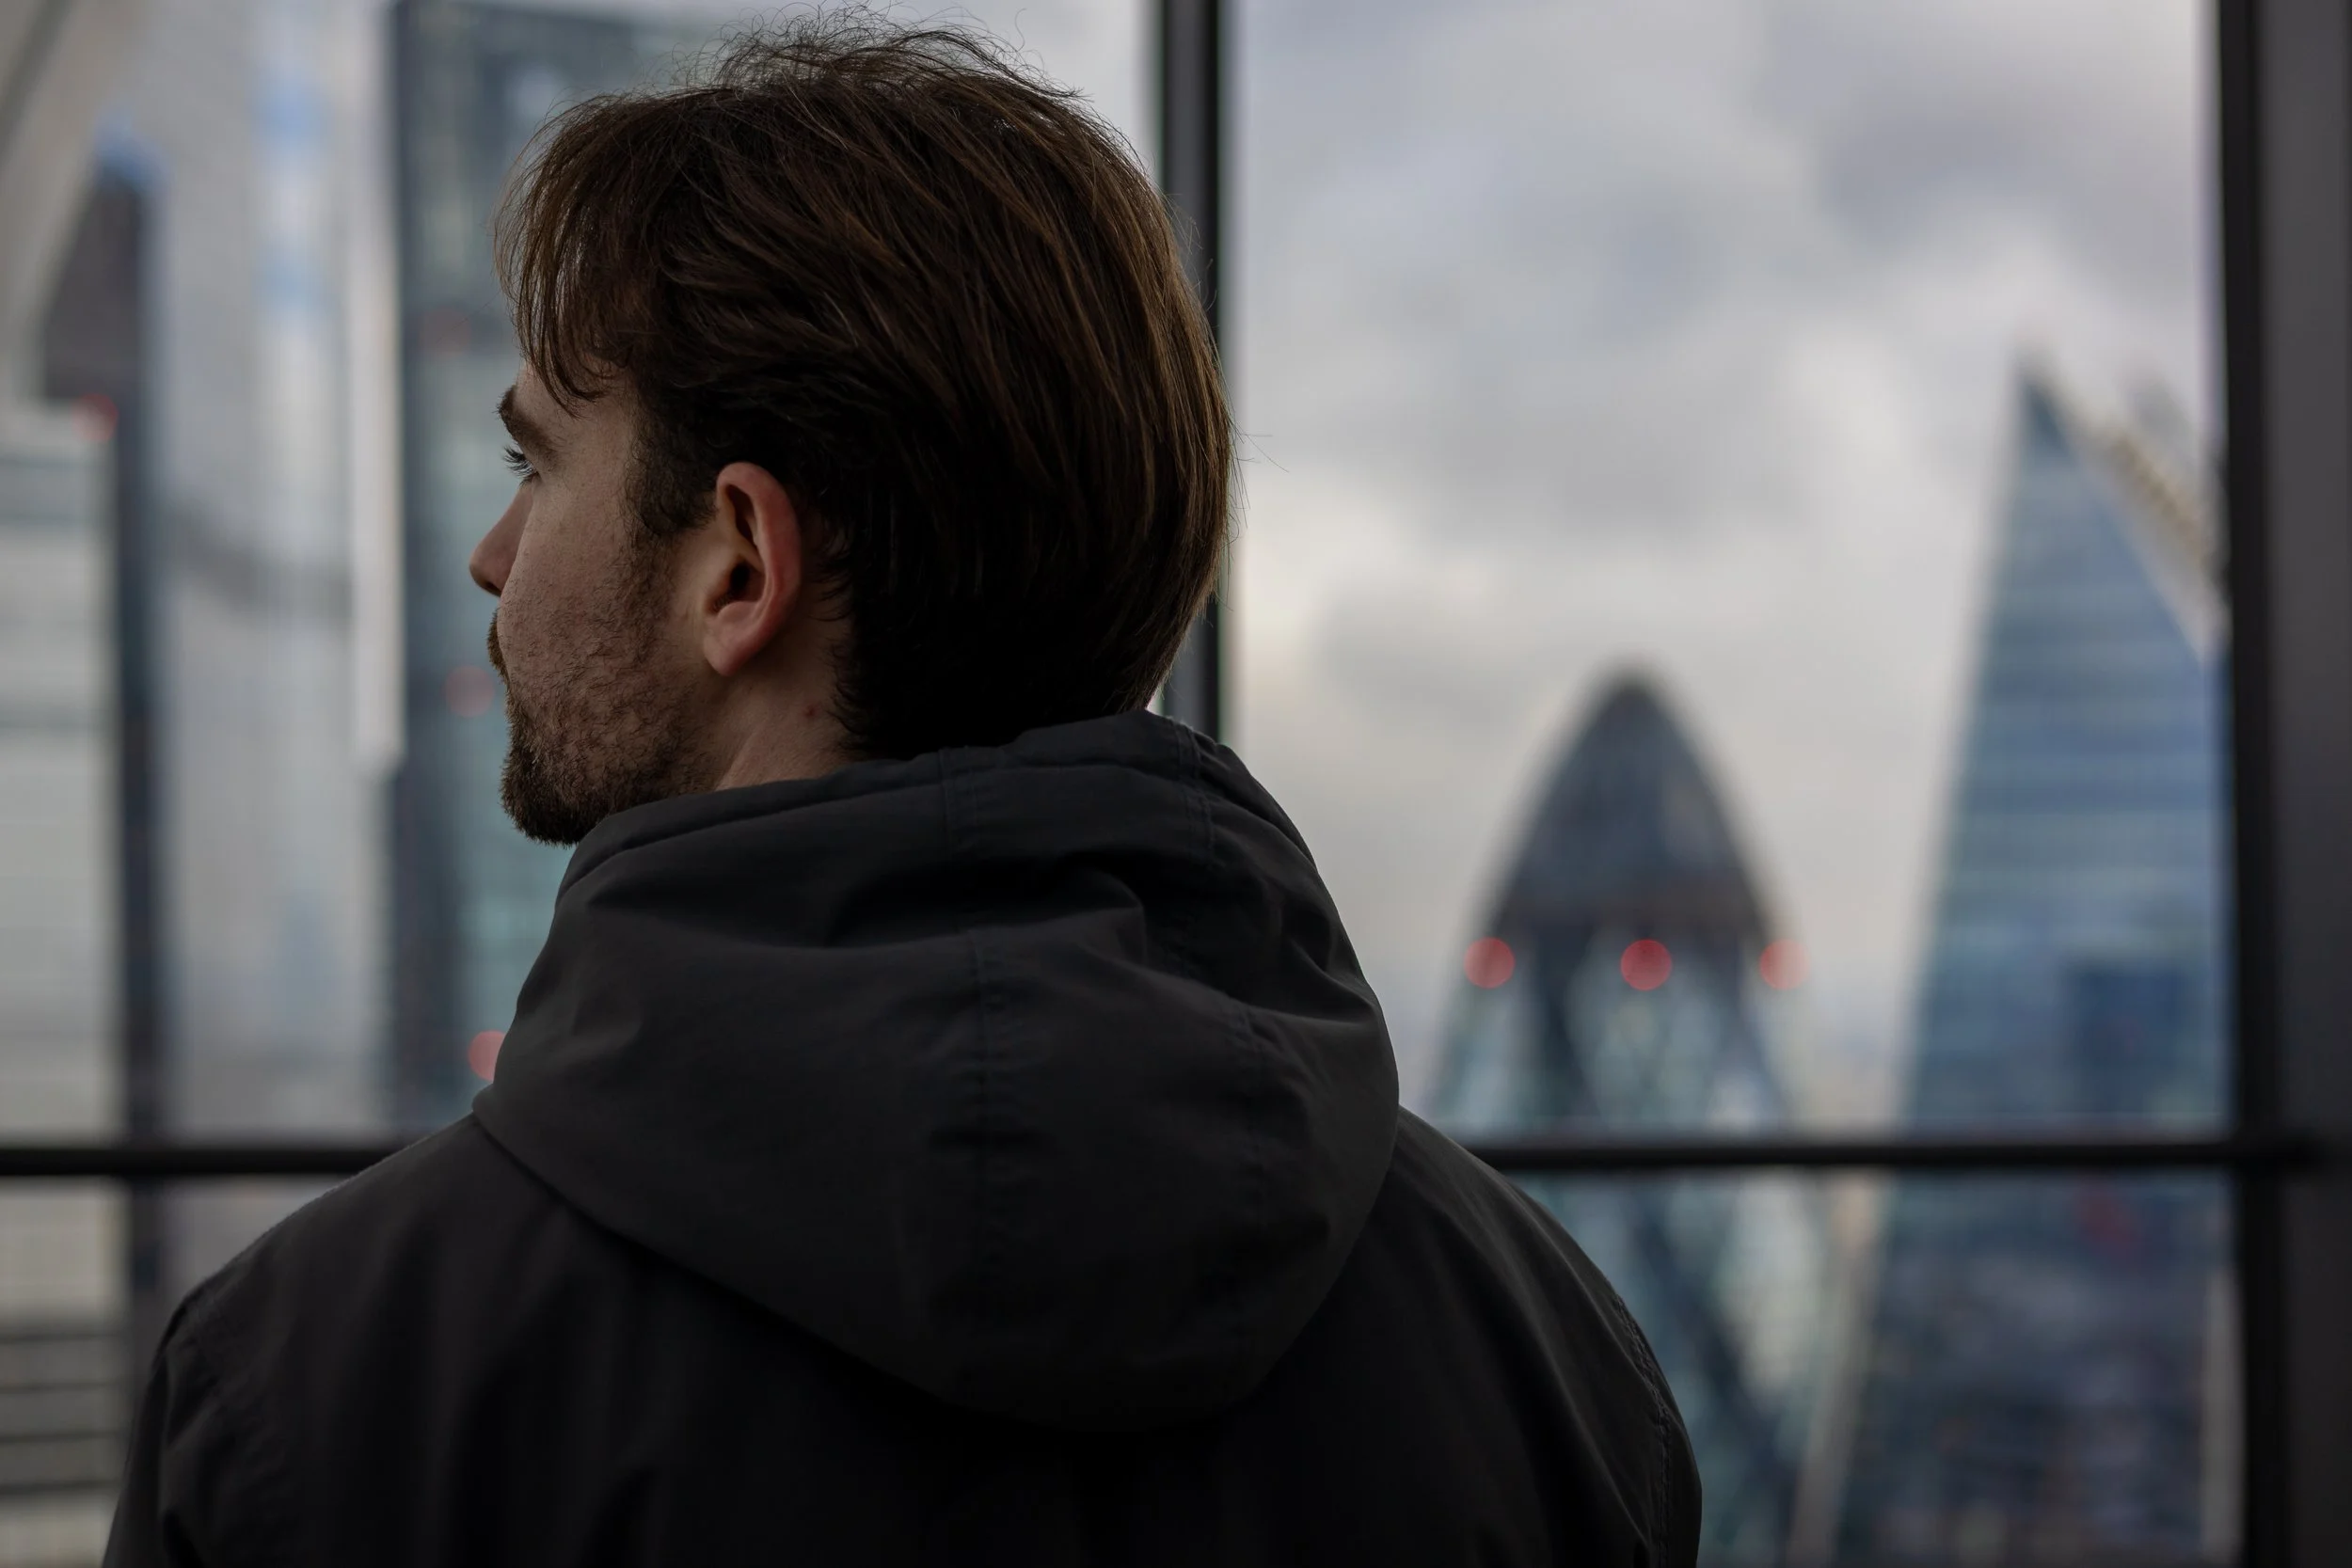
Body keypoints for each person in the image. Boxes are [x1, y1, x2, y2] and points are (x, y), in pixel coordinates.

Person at [104, 18, 1699, 1566]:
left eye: (538, 467)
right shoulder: (1545, 1359)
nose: (493, 555)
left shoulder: (318, 1402)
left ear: (739, 562)